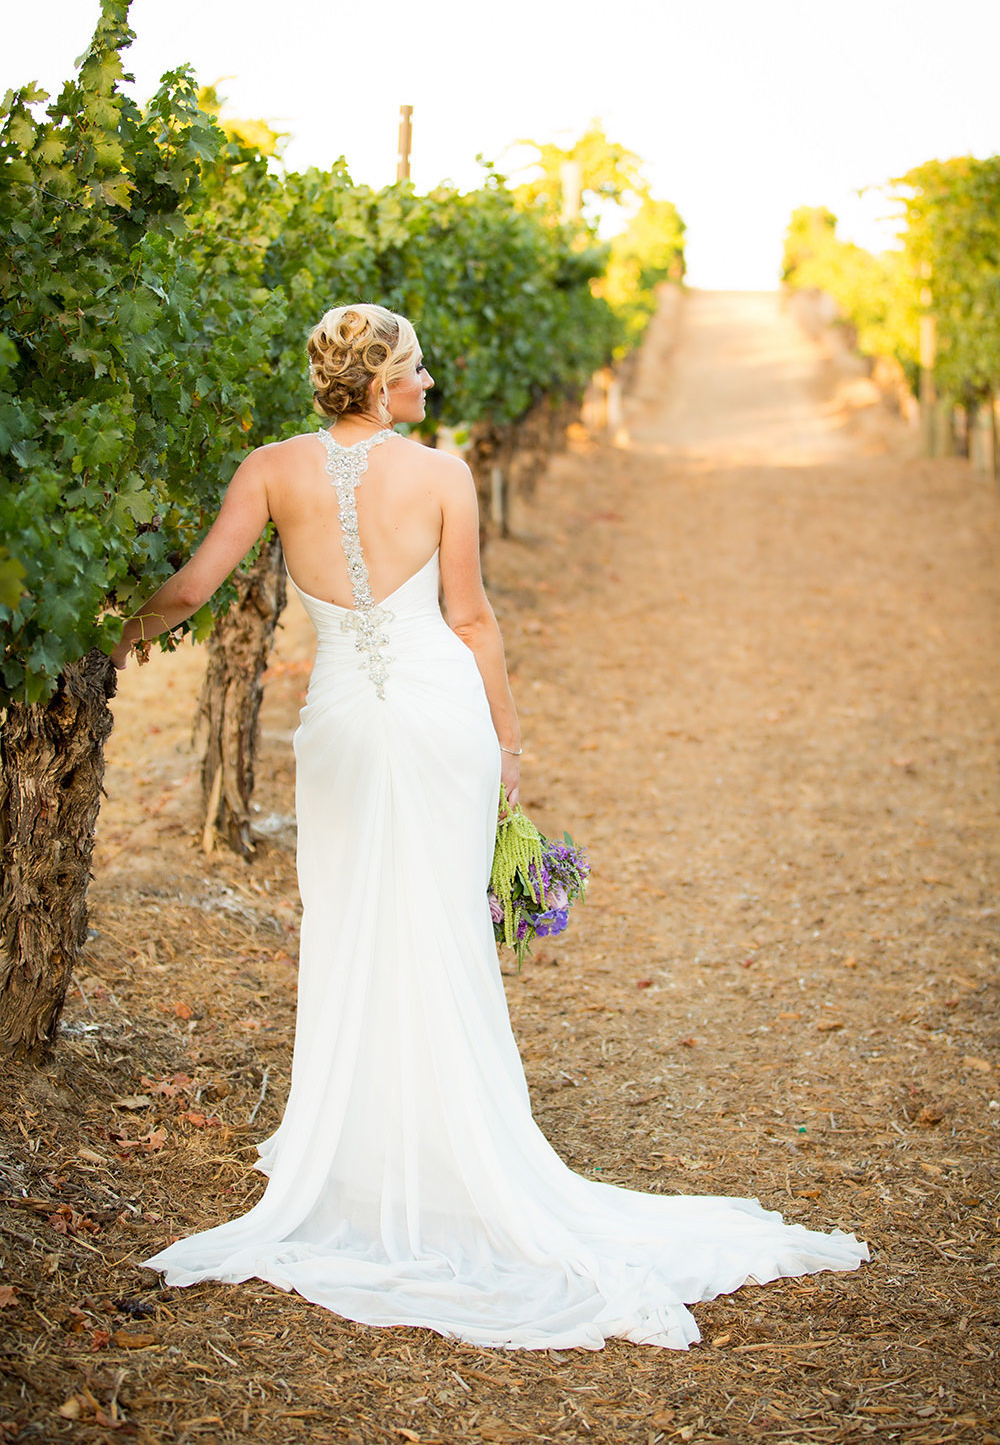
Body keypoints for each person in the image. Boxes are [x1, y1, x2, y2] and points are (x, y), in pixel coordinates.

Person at [114, 303, 868, 1350]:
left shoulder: (268, 469)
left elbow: (193, 587)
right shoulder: (439, 476)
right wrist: (508, 745)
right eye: (417, 369)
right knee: (439, 928)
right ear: (382, 385)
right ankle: (444, 1146)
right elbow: (469, 619)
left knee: (348, 922)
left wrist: (105, 643)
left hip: (335, 723)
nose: (430, 383)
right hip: (436, 721)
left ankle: (359, 1146)